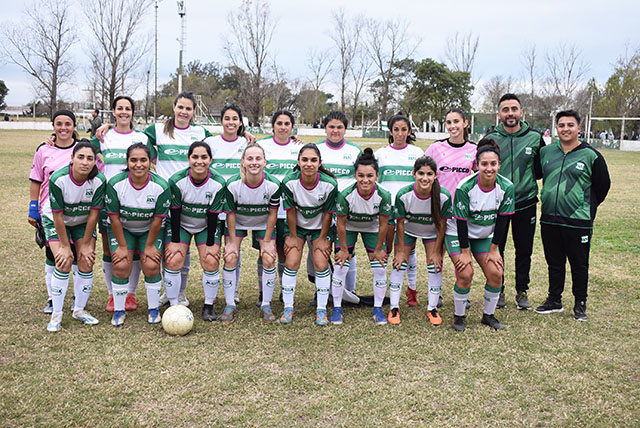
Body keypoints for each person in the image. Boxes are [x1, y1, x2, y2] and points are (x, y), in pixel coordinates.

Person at [535, 110, 610, 321]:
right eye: (561, 125)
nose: (565, 129)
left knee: (579, 263)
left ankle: (580, 303)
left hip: (578, 221)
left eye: (570, 125)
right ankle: (554, 299)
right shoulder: (546, 152)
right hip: (549, 217)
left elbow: (603, 186)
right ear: (556, 128)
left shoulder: (591, 155)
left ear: (579, 128)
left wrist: (585, 207)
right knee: (554, 261)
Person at [485, 94, 545, 310]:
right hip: (497, 204)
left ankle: (522, 291)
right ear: (499, 113)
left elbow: (539, 170)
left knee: (524, 249)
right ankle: (497, 289)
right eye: (505, 109)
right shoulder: (490, 138)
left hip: (525, 202)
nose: (510, 113)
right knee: (496, 247)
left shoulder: (535, 138)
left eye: (514, 109)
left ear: (521, 112)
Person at [449, 139, 514, 331]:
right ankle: (459, 316)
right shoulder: (465, 186)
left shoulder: (506, 187)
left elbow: (504, 221)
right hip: (459, 235)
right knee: (465, 272)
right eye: (484, 164)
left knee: (496, 273)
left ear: (499, 165)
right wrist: (464, 251)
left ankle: (488, 315)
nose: (489, 168)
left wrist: (495, 249)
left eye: (493, 164)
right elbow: (461, 222)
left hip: (484, 236)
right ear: (477, 165)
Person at [91, 95, 148, 313]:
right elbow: (81, 150)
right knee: (109, 249)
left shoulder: (142, 137)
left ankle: (131, 293)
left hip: (137, 202)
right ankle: (112, 294)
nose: (124, 112)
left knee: (132, 250)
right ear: (113, 112)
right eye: (120, 108)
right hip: (109, 200)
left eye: (128, 108)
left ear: (133, 112)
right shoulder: (103, 137)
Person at [105, 143, 171, 327]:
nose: (139, 164)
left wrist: (149, 246)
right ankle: (119, 311)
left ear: (150, 162)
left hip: (149, 230)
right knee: (121, 264)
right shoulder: (116, 183)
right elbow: (114, 218)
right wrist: (123, 246)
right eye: (133, 160)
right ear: (127, 162)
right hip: (123, 229)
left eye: (143, 160)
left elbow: (158, 220)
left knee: (151, 264)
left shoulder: (161, 186)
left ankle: (153, 309)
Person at [43, 142, 106, 331]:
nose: (85, 162)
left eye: (90, 158)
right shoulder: (59, 178)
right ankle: (56, 315)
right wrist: (64, 245)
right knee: (64, 260)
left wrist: (86, 244)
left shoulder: (99, 180)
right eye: (81, 157)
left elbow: (94, 214)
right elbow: (57, 215)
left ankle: (79, 310)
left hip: (82, 222)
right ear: (72, 159)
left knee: (86, 260)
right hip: (57, 220)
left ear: (95, 162)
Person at [376, 113, 434, 306]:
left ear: (409, 131)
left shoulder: (417, 153)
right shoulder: (381, 154)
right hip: (386, 211)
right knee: (385, 250)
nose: (400, 133)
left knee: (407, 251)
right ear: (390, 132)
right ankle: (383, 289)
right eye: (396, 129)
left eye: (403, 129)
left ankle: (412, 290)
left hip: (409, 211)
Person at [164, 141, 226, 321]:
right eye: (195, 157)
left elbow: (213, 215)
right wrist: (175, 240)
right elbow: (175, 212)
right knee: (174, 259)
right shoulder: (176, 180)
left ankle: (208, 305)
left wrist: (210, 245)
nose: (200, 161)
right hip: (181, 224)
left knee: (211, 260)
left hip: (206, 225)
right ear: (188, 159)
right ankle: (174, 304)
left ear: (211, 160)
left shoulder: (218, 182)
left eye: (204, 157)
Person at [388, 156, 451, 325]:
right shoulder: (404, 194)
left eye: (429, 174)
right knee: (399, 264)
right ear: (413, 174)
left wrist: (438, 252)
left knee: (435, 266)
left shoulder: (444, 196)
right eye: (421, 173)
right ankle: (394, 308)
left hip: (431, 234)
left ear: (436, 175)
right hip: (408, 230)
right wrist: (400, 251)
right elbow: (399, 224)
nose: (425, 178)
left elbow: (442, 226)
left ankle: (432, 309)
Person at [332, 148, 392, 325]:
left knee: (380, 268)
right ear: (355, 176)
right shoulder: (345, 195)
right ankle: (337, 308)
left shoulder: (384, 195)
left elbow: (383, 225)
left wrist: (379, 249)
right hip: (349, 227)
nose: (365, 180)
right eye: (361, 175)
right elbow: (341, 224)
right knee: (340, 266)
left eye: (370, 176)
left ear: (377, 176)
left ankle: (378, 309)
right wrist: (343, 249)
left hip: (372, 228)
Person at [30, 110, 82, 314]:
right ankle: (53, 297)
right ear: (53, 126)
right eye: (59, 124)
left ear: (74, 127)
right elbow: (36, 180)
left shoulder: (81, 149)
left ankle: (78, 296)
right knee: (54, 255)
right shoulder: (43, 150)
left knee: (77, 254)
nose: (63, 128)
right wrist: (33, 208)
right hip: (50, 212)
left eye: (68, 124)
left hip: (78, 211)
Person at [425, 108, 478, 309]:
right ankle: (435, 294)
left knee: (459, 255)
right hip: (438, 211)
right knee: (436, 252)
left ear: (465, 123)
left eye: (456, 121)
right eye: (448, 122)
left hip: (461, 213)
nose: (452, 126)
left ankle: (462, 292)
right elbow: (424, 173)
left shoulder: (473, 150)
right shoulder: (435, 148)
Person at [280, 143, 338, 325]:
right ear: (298, 161)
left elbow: (328, 214)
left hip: (320, 227)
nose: (309, 164)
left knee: (321, 263)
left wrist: (321, 239)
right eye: (304, 160)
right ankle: (288, 308)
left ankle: (321, 309)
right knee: (292, 261)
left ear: (320, 163)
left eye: (314, 160)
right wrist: (292, 236)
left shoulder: (330, 184)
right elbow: (290, 211)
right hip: (296, 226)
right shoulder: (289, 182)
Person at [224, 143, 281, 323]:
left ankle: (266, 303)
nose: (254, 162)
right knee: (230, 256)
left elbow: (273, 214)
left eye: (258, 159)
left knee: (269, 257)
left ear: (265, 162)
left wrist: (266, 242)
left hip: (263, 222)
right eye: (250, 159)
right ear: (242, 162)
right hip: (239, 221)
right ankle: (229, 303)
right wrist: (232, 242)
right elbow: (230, 214)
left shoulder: (273, 185)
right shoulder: (232, 184)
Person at [253, 111, 301, 305]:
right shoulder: (262, 146)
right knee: (264, 251)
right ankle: (263, 292)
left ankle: (282, 290)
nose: (283, 127)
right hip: (266, 209)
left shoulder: (299, 147)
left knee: (283, 251)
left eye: (287, 123)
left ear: (292, 127)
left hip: (289, 209)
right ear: (273, 126)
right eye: (279, 123)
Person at [204, 104, 248, 304]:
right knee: (210, 251)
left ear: (240, 122)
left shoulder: (246, 144)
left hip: (235, 207)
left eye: (235, 119)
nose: (231, 122)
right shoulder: (210, 142)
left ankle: (234, 289)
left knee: (232, 248)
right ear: (221, 121)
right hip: (211, 204)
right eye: (227, 118)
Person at [315, 111, 362, 294]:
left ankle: (349, 291)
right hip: (322, 209)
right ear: (325, 128)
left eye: (339, 127)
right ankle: (322, 290)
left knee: (348, 249)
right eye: (331, 127)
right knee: (322, 249)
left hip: (348, 209)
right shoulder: (316, 148)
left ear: (345, 129)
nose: (335, 131)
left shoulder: (354, 150)